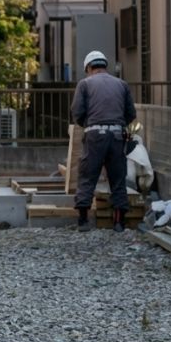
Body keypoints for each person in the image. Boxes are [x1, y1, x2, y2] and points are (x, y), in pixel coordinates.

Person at [70, 50, 136, 232]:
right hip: (117, 136)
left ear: (89, 67)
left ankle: (83, 221)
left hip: (94, 135)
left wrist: (88, 126)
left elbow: (77, 111)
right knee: (117, 178)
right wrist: (117, 124)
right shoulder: (122, 84)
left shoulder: (84, 84)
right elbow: (131, 113)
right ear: (104, 66)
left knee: (87, 176)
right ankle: (119, 223)